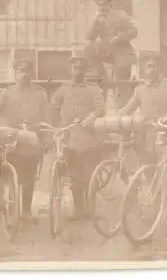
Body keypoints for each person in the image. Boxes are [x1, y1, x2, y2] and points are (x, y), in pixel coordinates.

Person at [0, 58, 50, 223]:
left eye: (27, 71)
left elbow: (48, 119)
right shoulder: (7, 94)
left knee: (29, 176)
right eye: (20, 71)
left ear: (32, 73)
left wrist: (46, 137)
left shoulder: (40, 94)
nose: (24, 74)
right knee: (2, 170)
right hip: (10, 142)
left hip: (31, 141)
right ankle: (0, 203)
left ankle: (25, 210)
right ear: (15, 74)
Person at [116, 55, 167, 228]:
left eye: (154, 66)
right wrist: (115, 117)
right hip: (145, 139)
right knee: (149, 175)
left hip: (166, 137)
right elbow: (129, 107)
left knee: (166, 178)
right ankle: (155, 211)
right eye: (148, 67)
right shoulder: (140, 89)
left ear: (159, 68)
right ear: (143, 70)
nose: (151, 70)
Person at [49, 56, 106, 221]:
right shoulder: (63, 90)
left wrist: (92, 116)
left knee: (90, 175)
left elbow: (101, 108)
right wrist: (57, 126)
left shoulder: (93, 89)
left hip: (89, 138)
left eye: (80, 68)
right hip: (69, 137)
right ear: (70, 70)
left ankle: (90, 208)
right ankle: (78, 208)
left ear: (85, 71)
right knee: (74, 176)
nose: (77, 71)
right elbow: (53, 108)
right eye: (74, 68)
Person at [86, 0, 138, 108]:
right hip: (105, 52)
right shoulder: (97, 19)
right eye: (99, 6)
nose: (102, 8)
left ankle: (123, 107)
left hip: (121, 50)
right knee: (98, 75)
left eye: (104, 5)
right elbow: (90, 37)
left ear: (110, 5)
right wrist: (95, 22)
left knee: (121, 81)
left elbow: (134, 31)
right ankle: (101, 105)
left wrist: (118, 38)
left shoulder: (120, 15)